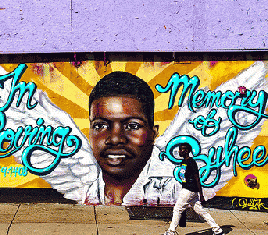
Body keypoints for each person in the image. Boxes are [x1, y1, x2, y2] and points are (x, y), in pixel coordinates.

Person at [89, 71, 158, 205]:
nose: (115, 139)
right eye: (100, 125)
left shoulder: (169, 189)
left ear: (153, 134)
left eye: (132, 126)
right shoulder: (80, 190)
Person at [163, 143, 224, 235]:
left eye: (181, 149)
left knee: (177, 209)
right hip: (189, 190)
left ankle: (171, 232)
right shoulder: (184, 161)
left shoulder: (191, 162)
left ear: (186, 151)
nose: (179, 151)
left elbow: (197, 178)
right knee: (200, 211)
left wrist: (201, 194)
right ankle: (217, 230)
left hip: (189, 190)